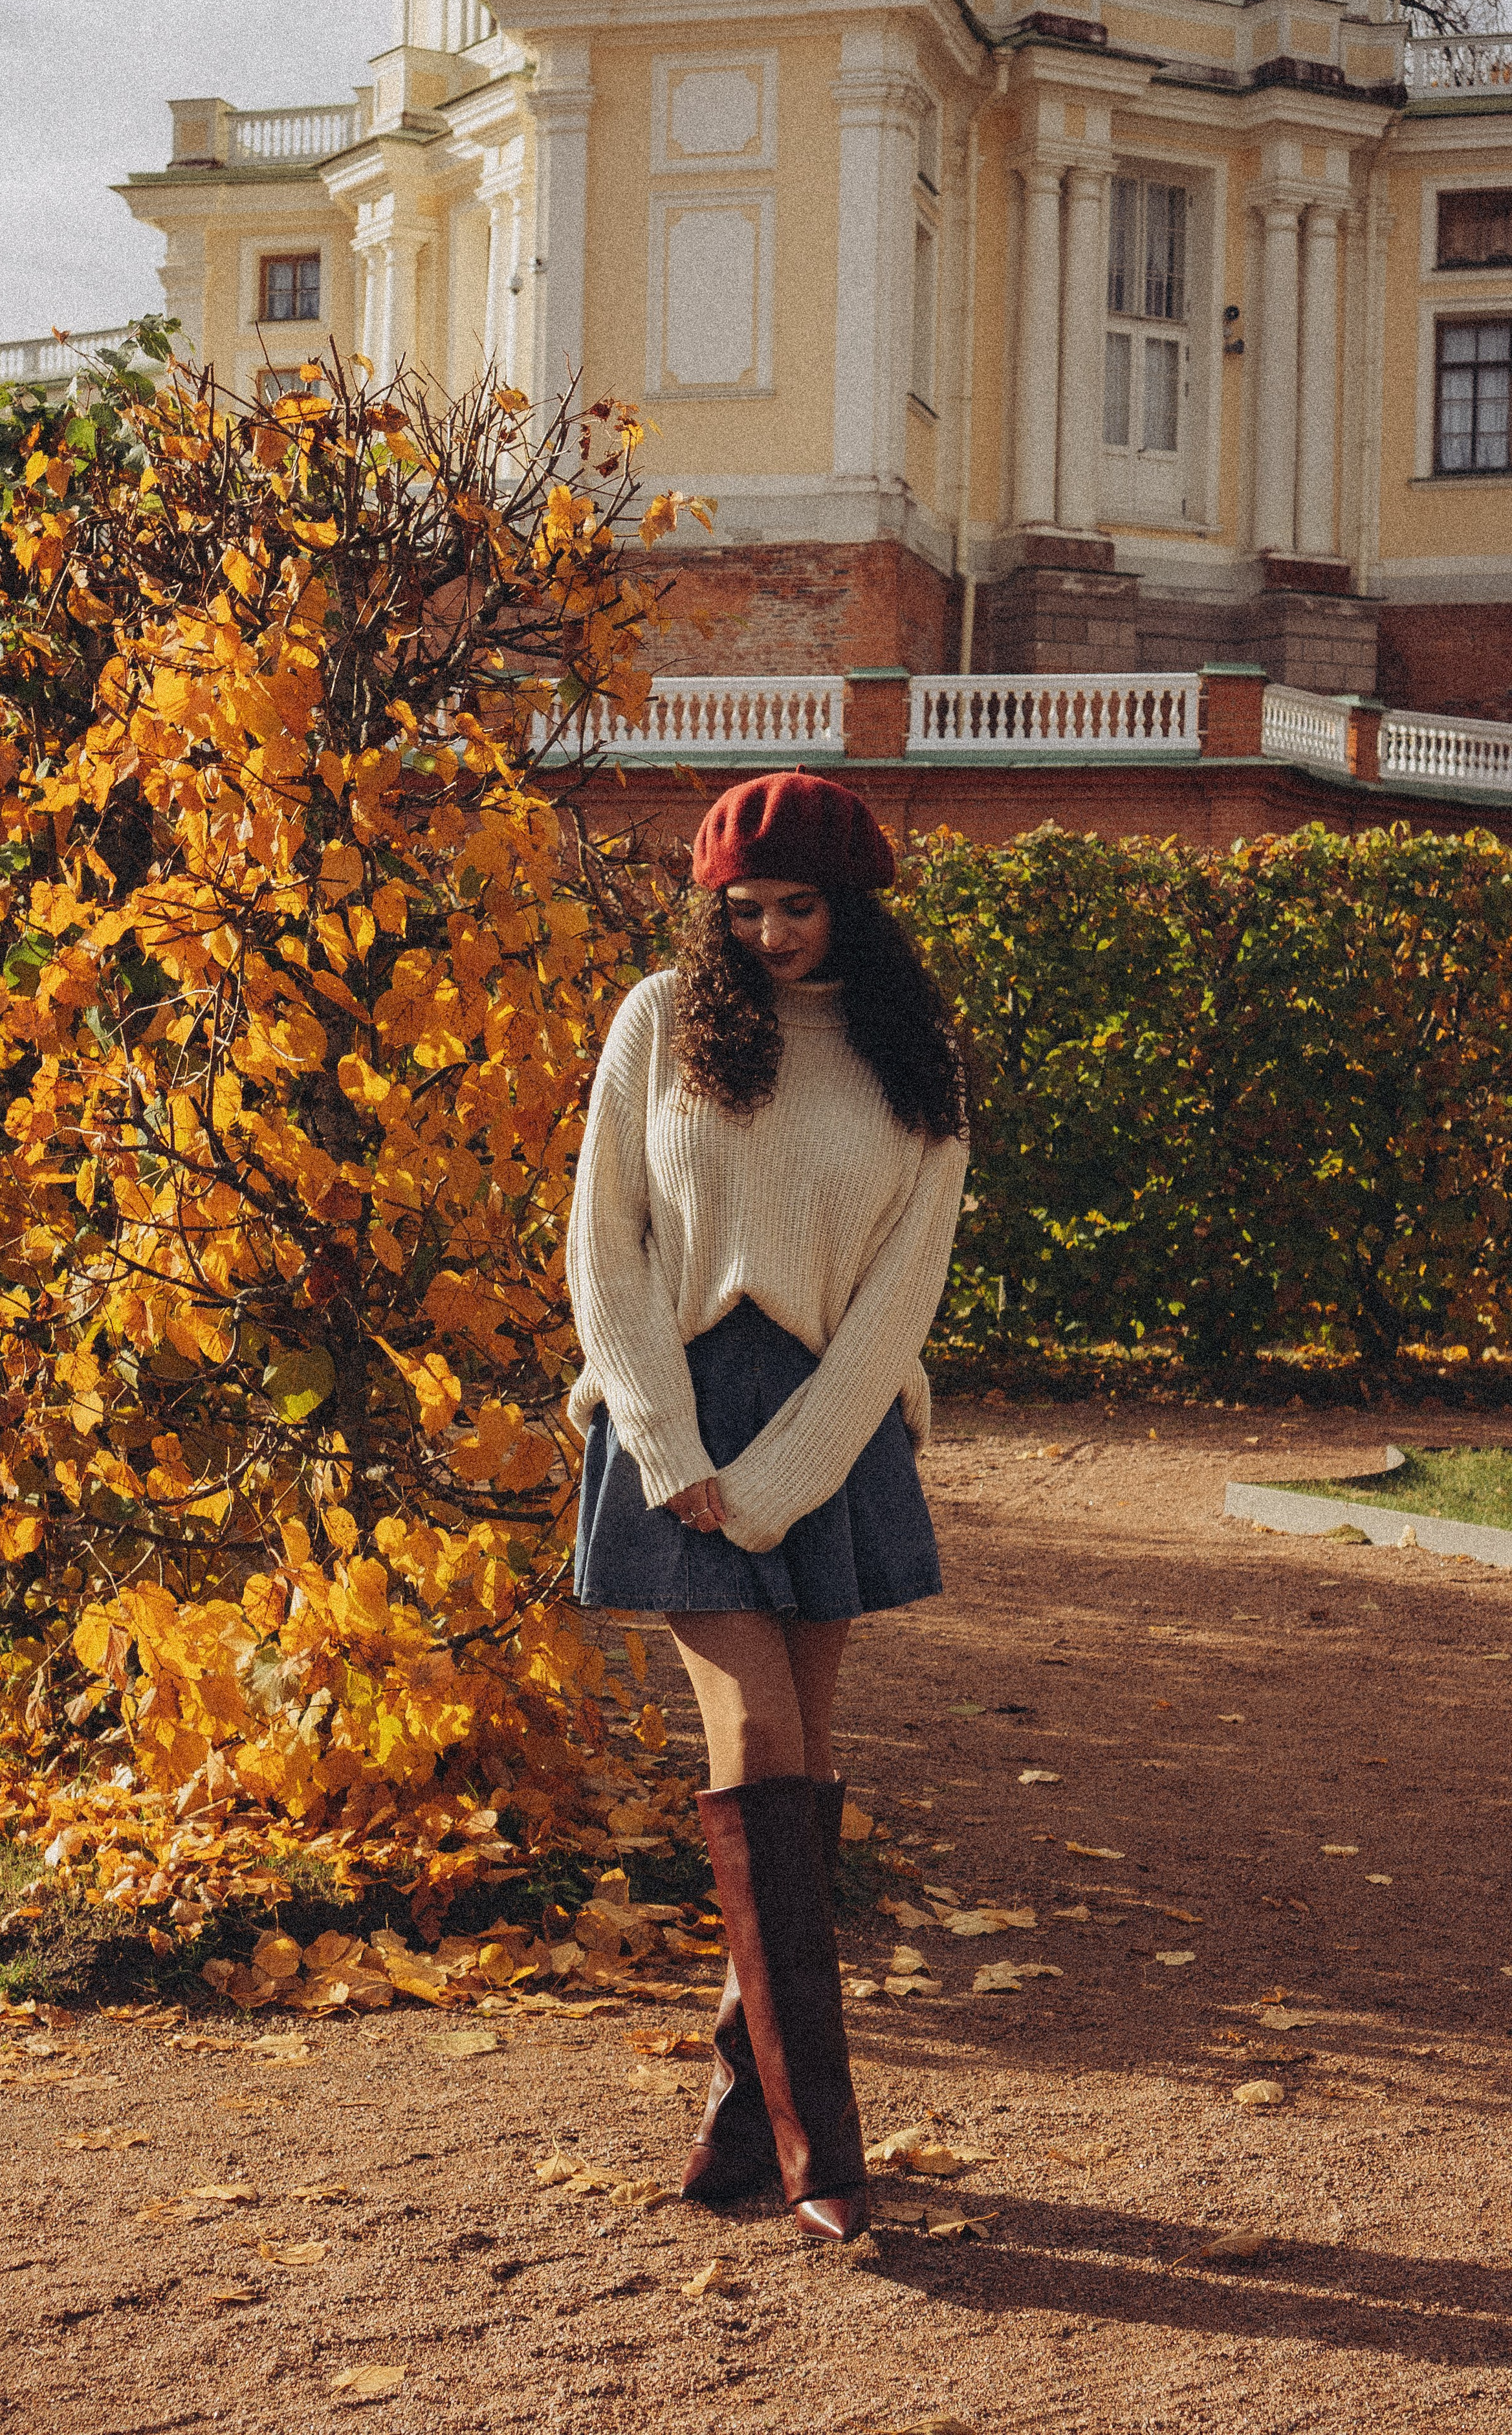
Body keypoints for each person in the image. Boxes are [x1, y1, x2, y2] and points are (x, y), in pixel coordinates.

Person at [565, 769, 972, 2243]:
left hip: (836, 1432)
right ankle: (825, 2156)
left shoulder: (913, 1059)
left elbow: (901, 1297)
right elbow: (602, 1242)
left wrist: (784, 1479)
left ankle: (748, 2114)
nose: (771, 934)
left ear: (852, 907)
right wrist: (665, 1443)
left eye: (798, 907)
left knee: (800, 1763)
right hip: (673, 1420)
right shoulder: (657, 1020)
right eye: (742, 911)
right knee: (754, 1738)